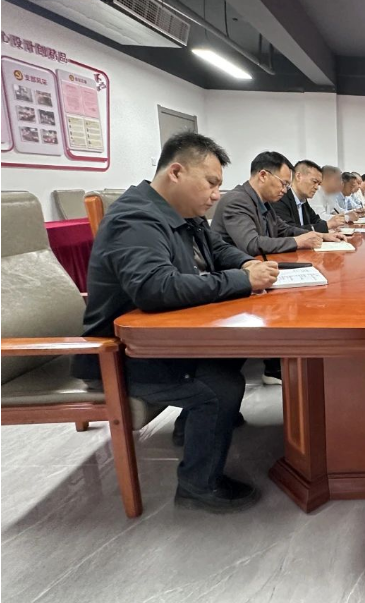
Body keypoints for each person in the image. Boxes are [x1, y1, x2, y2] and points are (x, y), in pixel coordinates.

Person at [72, 132, 279, 513]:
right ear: (177, 172)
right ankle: (199, 485)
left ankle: (193, 426)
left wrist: (246, 263)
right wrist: (242, 280)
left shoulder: (182, 213)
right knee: (220, 386)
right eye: (211, 183)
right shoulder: (136, 218)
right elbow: (156, 288)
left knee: (235, 350)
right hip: (121, 354)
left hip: (162, 339)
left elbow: (217, 248)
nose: (216, 195)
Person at [212, 151, 325, 255]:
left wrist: (320, 236)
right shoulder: (236, 200)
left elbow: (285, 230)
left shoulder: (265, 203)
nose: (285, 190)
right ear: (263, 176)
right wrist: (297, 241)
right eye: (283, 183)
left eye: (287, 186)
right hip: (236, 267)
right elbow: (252, 244)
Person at [272, 159, 348, 233]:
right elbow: (289, 230)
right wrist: (327, 225)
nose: (316, 187)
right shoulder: (281, 198)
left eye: (318, 184)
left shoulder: (303, 200)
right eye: (314, 182)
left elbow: (316, 220)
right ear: (298, 176)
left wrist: (330, 228)